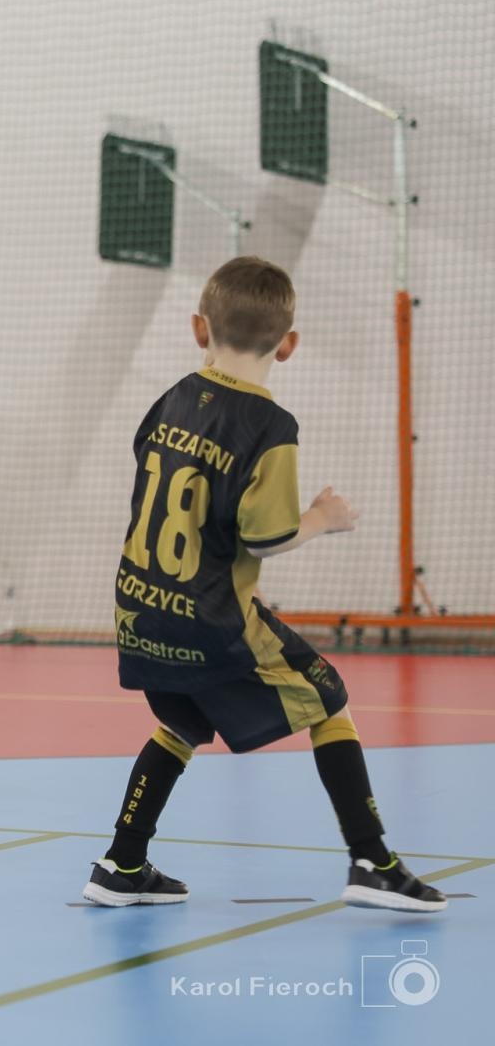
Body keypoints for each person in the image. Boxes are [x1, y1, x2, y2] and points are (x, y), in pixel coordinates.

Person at [82, 256, 445, 912]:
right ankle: (372, 860)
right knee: (328, 701)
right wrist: (322, 519)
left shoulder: (169, 400)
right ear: (289, 344)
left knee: (183, 720)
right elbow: (266, 534)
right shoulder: (270, 427)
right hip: (211, 614)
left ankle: (121, 863)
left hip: (138, 607)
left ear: (199, 329)